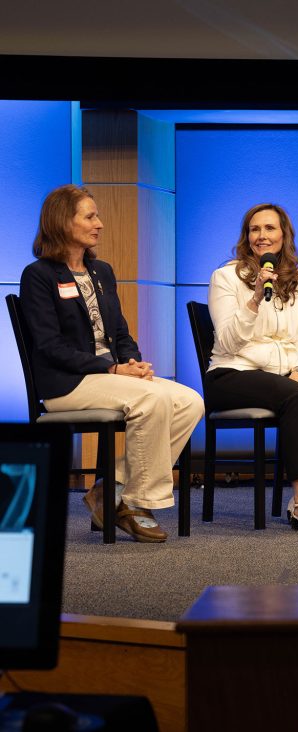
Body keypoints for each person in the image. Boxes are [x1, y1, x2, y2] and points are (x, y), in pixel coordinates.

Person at [20, 184, 204, 542]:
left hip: (111, 376)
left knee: (189, 402)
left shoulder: (101, 271)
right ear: (62, 222)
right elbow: (49, 346)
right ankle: (135, 504)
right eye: (90, 216)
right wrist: (112, 369)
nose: (100, 224)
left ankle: (110, 491)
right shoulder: (39, 276)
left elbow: (119, 333)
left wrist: (133, 362)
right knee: (151, 400)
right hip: (67, 383)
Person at [206, 203, 298, 535]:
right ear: (246, 237)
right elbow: (229, 343)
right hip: (231, 373)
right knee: (296, 398)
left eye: (270, 228)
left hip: (284, 374)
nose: (262, 236)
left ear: (284, 234)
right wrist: (255, 297)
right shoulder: (226, 277)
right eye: (254, 229)